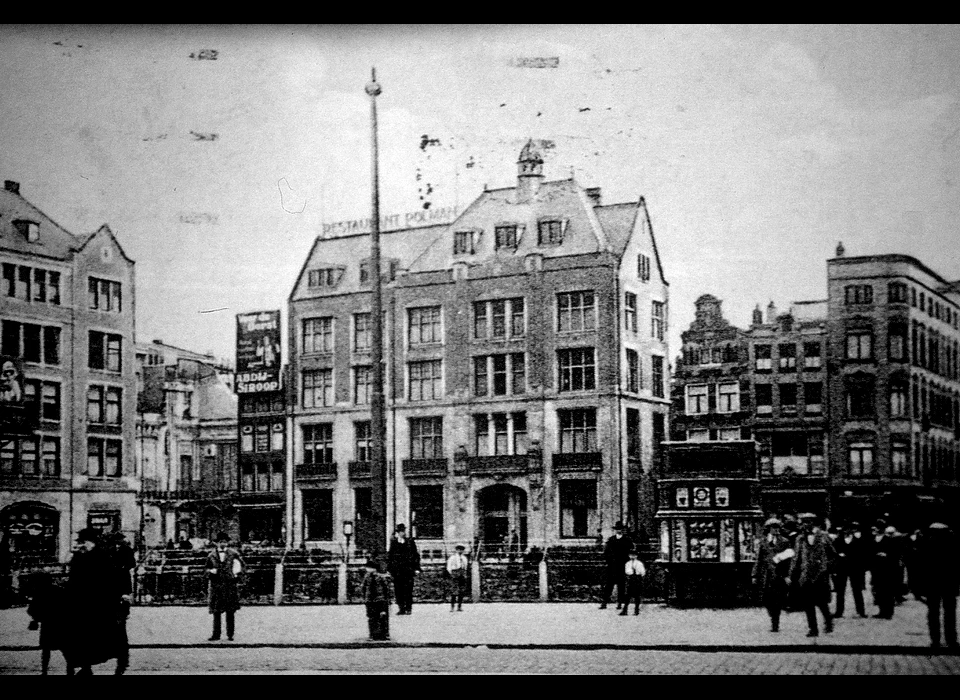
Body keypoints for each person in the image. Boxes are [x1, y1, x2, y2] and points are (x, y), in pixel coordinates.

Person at [64, 528, 129, 675]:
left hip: (100, 603)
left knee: (104, 636)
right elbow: (73, 578)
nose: (81, 544)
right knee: (82, 637)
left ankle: (120, 663)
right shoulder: (80, 556)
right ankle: (85, 667)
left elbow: (111, 578)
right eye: (80, 542)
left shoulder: (102, 555)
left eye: (83, 542)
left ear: (91, 542)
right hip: (82, 603)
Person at [789, 513, 836, 638]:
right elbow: (796, 558)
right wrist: (792, 574)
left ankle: (828, 621)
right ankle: (813, 629)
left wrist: (827, 567)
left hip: (820, 574)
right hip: (806, 575)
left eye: (808, 522)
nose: (805, 525)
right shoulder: (800, 538)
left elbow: (832, 554)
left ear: (813, 523)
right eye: (803, 523)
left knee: (821, 602)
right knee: (808, 604)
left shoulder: (823, 536)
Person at [917, 522, 959, 649]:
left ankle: (936, 640)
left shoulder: (927, 544)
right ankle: (951, 639)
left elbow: (922, 566)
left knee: (934, 613)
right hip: (948, 583)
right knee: (949, 613)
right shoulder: (952, 545)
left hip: (934, 584)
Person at [752, 517, 793, 632]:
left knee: (777, 599)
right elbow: (759, 559)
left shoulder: (785, 541)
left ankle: (775, 623)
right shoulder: (763, 541)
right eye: (773, 528)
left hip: (779, 574)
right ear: (768, 529)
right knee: (767, 599)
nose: (776, 530)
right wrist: (754, 574)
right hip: (766, 575)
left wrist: (787, 575)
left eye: (777, 527)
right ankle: (772, 615)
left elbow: (789, 559)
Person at [26, 572, 69, 675]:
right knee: (65, 648)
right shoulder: (59, 590)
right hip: (61, 623)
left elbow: (32, 609)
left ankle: (44, 670)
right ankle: (70, 669)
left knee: (46, 649)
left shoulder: (40, 593)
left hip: (47, 624)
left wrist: (36, 619)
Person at [206, 532, 244, 641]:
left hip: (229, 585)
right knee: (216, 611)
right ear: (216, 543)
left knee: (230, 611)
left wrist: (236, 576)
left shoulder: (234, 554)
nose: (222, 544)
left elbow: (242, 566)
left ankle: (230, 634)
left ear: (227, 542)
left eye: (224, 542)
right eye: (220, 542)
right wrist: (211, 572)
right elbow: (205, 570)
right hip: (216, 586)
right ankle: (216, 634)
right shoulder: (211, 555)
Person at [832, 523, 868, 619]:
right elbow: (833, 553)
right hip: (842, 568)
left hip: (854, 568)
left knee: (857, 590)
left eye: (849, 529)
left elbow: (862, 554)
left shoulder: (858, 541)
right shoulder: (838, 541)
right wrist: (839, 555)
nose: (847, 531)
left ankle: (861, 611)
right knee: (840, 591)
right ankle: (839, 612)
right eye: (845, 530)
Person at [387, 524, 421, 615]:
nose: (403, 533)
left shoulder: (410, 542)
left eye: (404, 531)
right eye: (401, 531)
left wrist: (417, 568)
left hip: (408, 571)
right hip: (397, 572)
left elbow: (416, 556)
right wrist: (389, 570)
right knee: (398, 590)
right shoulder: (394, 542)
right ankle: (401, 608)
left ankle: (408, 608)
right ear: (397, 532)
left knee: (408, 590)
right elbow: (390, 557)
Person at [600, 521, 633, 610]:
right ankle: (604, 602)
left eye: (621, 529)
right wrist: (609, 561)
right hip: (612, 566)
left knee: (621, 585)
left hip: (622, 566)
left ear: (623, 530)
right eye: (618, 529)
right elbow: (606, 552)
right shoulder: (611, 540)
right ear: (615, 530)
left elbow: (630, 552)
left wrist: (627, 563)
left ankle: (619, 603)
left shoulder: (627, 540)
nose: (619, 531)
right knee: (609, 585)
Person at [869, 521, 898, 619]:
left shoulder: (889, 539)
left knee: (887, 590)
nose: (877, 529)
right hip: (876, 568)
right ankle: (881, 611)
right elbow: (868, 552)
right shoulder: (873, 539)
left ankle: (889, 612)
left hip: (887, 568)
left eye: (879, 527)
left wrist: (887, 555)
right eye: (876, 527)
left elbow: (895, 553)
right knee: (878, 589)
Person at [360, 559, 393, 641]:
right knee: (372, 618)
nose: (369, 570)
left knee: (383, 617)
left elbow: (386, 588)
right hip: (370, 600)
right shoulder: (367, 577)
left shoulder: (381, 577)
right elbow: (363, 587)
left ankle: (385, 634)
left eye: (370, 568)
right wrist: (365, 598)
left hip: (381, 600)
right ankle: (372, 634)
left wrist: (388, 599)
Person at [619, 548, 646, 616]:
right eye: (631, 555)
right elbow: (627, 571)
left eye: (634, 555)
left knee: (637, 595)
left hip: (637, 579)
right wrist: (631, 573)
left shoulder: (639, 563)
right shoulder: (627, 563)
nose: (632, 556)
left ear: (636, 556)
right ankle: (625, 610)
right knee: (628, 595)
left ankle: (636, 610)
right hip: (631, 579)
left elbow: (642, 572)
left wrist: (637, 574)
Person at [446, 545, 469, 612]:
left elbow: (465, 567)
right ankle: (452, 607)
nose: (460, 551)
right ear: (456, 550)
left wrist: (464, 573)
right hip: (455, 573)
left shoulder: (464, 558)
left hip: (462, 573)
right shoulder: (452, 558)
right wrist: (452, 574)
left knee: (461, 591)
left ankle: (459, 607)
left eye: (461, 550)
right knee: (454, 590)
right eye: (459, 550)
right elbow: (449, 567)